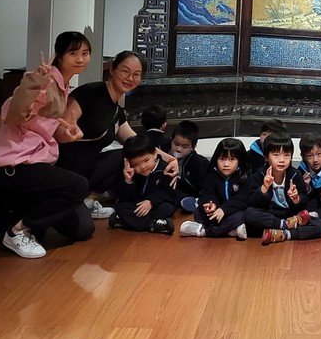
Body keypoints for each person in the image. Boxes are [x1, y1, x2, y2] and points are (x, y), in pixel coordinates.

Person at [0, 31, 95, 259]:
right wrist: (33, 82)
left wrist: (65, 132)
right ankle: (18, 231)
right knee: (77, 186)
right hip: (14, 164)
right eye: (73, 53)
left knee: (80, 228)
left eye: (85, 53)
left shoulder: (63, 85)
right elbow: (13, 111)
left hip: (36, 161)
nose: (80, 59)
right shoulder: (46, 81)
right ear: (59, 55)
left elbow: (42, 124)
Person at [55, 50, 177, 218]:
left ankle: (87, 200)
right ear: (112, 69)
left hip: (86, 170)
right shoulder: (90, 92)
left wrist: (171, 159)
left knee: (131, 154)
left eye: (136, 74)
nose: (130, 78)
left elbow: (137, 142)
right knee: (124, 155)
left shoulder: (116, 110)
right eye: (125, 71)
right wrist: (69, 132)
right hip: (67, 169)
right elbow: (63, 129)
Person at [245, 132, 321, 246]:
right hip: (271, 216)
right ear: (266, 157)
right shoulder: (259, 176)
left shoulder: (295, 174)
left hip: (291, 216)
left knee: (320, 225)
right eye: (276, 155)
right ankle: (284, 226)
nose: (282, 160)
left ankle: (283, 234)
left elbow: (304, 201)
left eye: (287, 155)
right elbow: (252, 203)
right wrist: (264, 188)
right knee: (249, 214)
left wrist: (296, 199)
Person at [179, 138, 250, 240]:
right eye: (222, 159)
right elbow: (206, 193)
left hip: (233, 211)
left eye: (232, 159)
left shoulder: (244, 176)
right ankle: (230, 230)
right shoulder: (211, 174)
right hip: (217, 212)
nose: (226, 164)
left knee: (243, 216)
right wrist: (210, 205)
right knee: (198, 212)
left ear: (240, 160)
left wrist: (224, 210)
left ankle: (205, 231)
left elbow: (243, 199)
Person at [108, 134, 175, 235]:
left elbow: (168, 194)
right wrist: (128, 181)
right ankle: (153, 224)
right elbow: (125, 197)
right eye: (136, 164)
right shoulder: (128, 172)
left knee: (167, 207)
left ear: (155, 154)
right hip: (138, 205)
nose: (143, 167)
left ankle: (124, 222)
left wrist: (151, 201)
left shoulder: (165, 169)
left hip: (155, 205)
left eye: (146, 160)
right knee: (121, 207)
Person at [169, 120, 209, 199]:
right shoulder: (160, 153)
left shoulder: (200, 164)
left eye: (185, 147)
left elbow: (201, 190)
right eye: (176, 144)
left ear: (193, 148)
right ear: (171, 140)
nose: (179, 149)